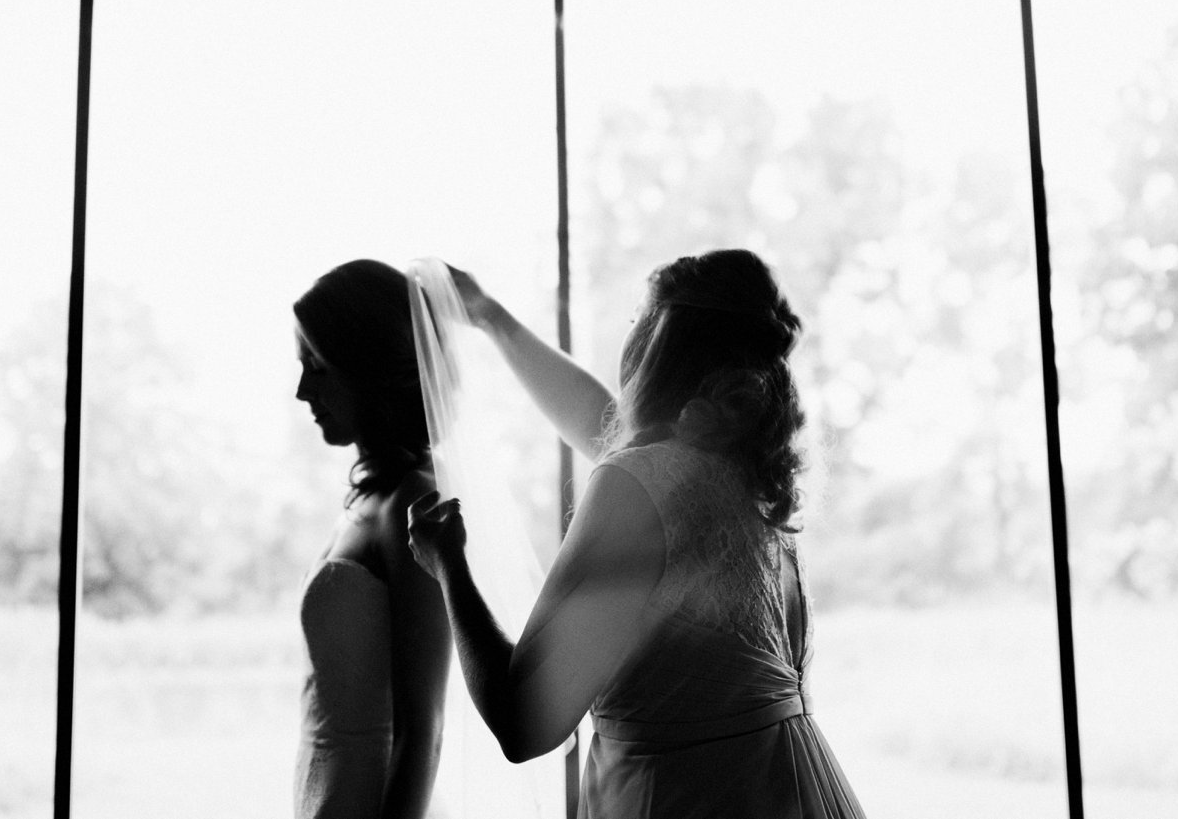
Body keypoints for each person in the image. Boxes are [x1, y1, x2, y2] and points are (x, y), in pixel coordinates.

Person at [406, 249, 865, 818]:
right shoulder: (747, 478)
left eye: (637, 321)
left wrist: (449, 564)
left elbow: (525, 722)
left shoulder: (640, 484)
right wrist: (490, 316)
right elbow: (599, 419)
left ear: (659, 344)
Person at [291, 259, 451, 819]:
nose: (302, 390)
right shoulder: (365, 500)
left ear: (368, 370)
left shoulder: (413, 503)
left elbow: (423, 729)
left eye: (318, 366)